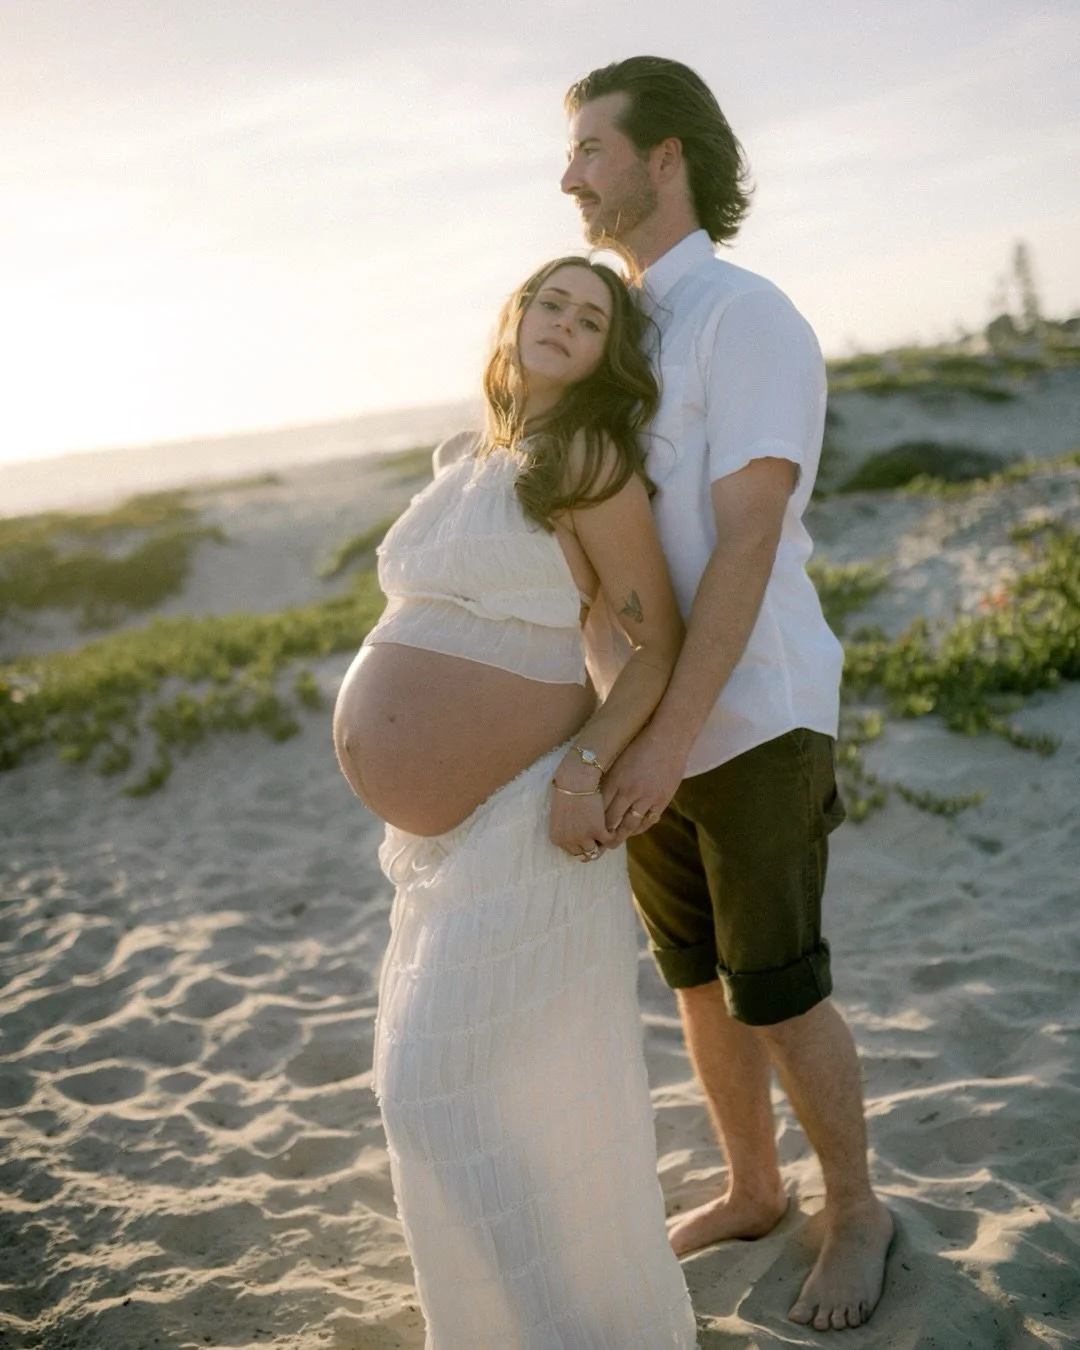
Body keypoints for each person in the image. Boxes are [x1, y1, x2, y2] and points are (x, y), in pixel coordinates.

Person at [560, 56, 894, 1333]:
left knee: (781, 982)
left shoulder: (745, 315)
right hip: (648, 725)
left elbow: (747, 540)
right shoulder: (617, 326)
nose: (570, 172)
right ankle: (755, 1189)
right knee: (696, 980)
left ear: (665, 159)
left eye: (594, 145)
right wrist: (610, 737)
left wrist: (671, 739)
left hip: (753, 713)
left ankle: (855, 1205)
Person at [333, 256, 698, 1348]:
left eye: (592, 320)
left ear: (603, 357)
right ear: (519, 317)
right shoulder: (471, 455)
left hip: (526, 818)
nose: (566, 324)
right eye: (553, 303)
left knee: (429, 1087)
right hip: (439, 845)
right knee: (462, 1091)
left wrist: (586, 768)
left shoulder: (588, 455)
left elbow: (657, 643)